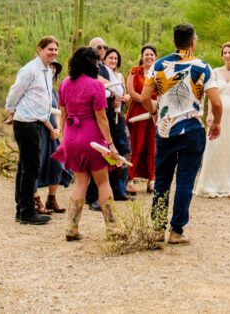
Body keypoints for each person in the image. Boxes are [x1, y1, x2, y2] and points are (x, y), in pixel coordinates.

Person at [139, 23, 222, 244]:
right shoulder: (203, 67)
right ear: (193, 42)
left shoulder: (158, 65)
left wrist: (155, 111)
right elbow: (216, 102)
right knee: (185, 181)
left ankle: (157, 228)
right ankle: (176, 231)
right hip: (192, 130)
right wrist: (217, 123)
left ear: (174, 41)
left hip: (165, 131)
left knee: (162, 180)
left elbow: (145, 97)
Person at [55, 46, 124, 240]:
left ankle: (72, 227)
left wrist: (63, 137)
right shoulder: (96, 85)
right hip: (91, 137)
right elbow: (101, 118)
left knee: (80, 182)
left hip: (71, 136)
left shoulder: (65, 84)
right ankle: (112, 227)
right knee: (102, 181)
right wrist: (110, 144)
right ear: (91, 64)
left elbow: (63, 114)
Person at [4, 36, 60, 225]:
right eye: (49, 49)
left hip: (37, 122)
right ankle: (27, 211)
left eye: (55, 50)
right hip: (26, 123)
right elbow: (15, 91)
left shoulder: (47, 72)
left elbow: (42, 101)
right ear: (39, 49)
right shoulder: (30, 70)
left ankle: (22, 208)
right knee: (30, 168)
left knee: (26, 167)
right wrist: (11, 111)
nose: (53, 52)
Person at [195, 41, 230, 198]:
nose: (227, 55)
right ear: (222, 55)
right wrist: (210, 114)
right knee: (215, 147)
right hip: (218, 114)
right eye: (225, 52)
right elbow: (210, 95)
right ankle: (212, 185)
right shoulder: (214, 72)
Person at [85, 37, 131, 208]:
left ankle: (118, 189)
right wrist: (113, 94)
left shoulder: (105, 68)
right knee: (100, 154)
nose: (102, 49)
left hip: (114, 115)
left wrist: (118, 96)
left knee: (121, 150)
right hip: (99, 114)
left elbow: (118, 88)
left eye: (104, 46)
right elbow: (100, 88)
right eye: (99, 47)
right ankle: (94, 196)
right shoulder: (91, 68)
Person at [34, 60, 73, 215]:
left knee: (56, 164)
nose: (53, 70)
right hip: (40, 130)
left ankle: (52, 198)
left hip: (52, 133)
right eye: (50, 67)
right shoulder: (38, 89)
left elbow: (57, 110)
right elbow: (40, 111)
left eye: (55, 68)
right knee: (37, 164)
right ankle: (36, 200)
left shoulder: (54, 91)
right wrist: (51, 129)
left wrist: (57, 129)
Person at [127, 44, 158, 193]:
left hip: (154, 112)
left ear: (155, 57)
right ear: (142, 56)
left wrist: (154, 105)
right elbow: (131, 92)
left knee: (152, 146)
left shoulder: (159, 73)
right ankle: (130, 179)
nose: (149, 57)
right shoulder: (135, 72)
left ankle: (152, 179)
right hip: (137, 110)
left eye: (152, 54)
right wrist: (146, 101)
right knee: (136, 145)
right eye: (146, 54)